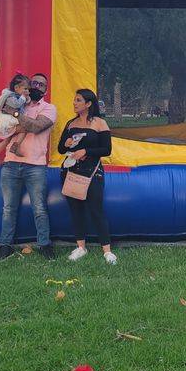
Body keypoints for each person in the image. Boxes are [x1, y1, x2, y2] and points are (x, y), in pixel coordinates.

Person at [0, 72, 57, 261]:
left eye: (42, 84)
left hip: (35, 166)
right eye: (34, 83)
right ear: (28, 86)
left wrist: (14, 114)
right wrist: (19, 118)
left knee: (39, 207)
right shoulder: (18, 101)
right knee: (8, 208)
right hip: (11, 162)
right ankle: (5, 245)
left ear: (45, 89)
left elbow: (37, 127)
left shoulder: (49, 108)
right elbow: (5, 128)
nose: (37, 86)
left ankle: (44, 244)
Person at [58, 89, 117, 265]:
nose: (74, 103)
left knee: (96, 209)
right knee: (76, 210)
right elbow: (61, 149)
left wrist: (87, 151)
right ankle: (80, 247)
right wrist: (66, 143)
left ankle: (107, 251)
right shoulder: (71, 124)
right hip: (71, 171)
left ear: (88, 104)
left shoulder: (99, 123)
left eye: (78, 100)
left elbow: (106, 150)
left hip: (93, 172)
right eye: (74, 100)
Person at [0, 73, 29, 162]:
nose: (26, 91)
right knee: (24, 129)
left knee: (7, 139)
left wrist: (26, 97)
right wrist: (24, 97)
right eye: (25, 88)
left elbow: (24, 102)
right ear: (16, 88)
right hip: (7, 119)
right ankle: (16, 146)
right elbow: (16, 104)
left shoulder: (17, 96)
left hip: (11, 118)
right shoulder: (10, 96)